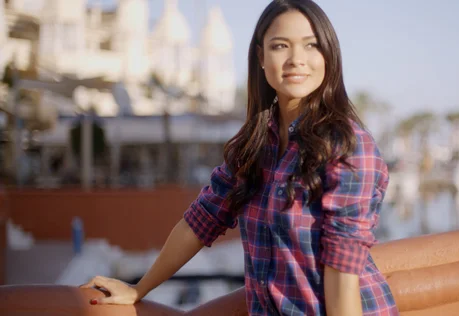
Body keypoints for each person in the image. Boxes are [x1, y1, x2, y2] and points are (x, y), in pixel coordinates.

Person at [81, 0, 398, 315]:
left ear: (329, 55)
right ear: (261, 57)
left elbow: (343, 277)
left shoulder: (348, 147)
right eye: (280, 46)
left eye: (311, 45)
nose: (296, 59)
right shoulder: (254, 146)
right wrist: (139, 288)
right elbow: (200, 222)